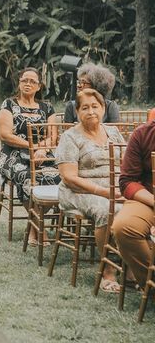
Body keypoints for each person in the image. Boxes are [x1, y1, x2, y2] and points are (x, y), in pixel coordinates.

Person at [55, 89, 125, 292]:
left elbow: (127, 162)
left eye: (95, 106)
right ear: (77, 111)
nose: (91, 111)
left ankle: (133, 266)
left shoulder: (113, 132)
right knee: (106, 210)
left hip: (115, 189)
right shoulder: (70, 137)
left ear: (103, 108)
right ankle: (109, 271)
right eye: (85, 107)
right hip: (79, 192)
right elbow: (69, 177)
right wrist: (104, 192)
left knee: (141, 208)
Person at [0, 67, 61, 245]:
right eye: (24, 80)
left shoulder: (47, 108)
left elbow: (52, 136)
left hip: (42, 154)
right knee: (26, 177)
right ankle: (39, 229)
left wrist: (41, 149)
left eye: (32, 81)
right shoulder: (9, 105)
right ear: (19, 83)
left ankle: (34, 226)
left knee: (57, 177)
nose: (28, 84)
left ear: (39, 86)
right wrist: (32, 147)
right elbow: (5, 135)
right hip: (13, 155)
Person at [112, 116, 155, 288]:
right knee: (124, 227)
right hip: (148, 198)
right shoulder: (143, 133)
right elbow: (127, 181)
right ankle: (150, 286)